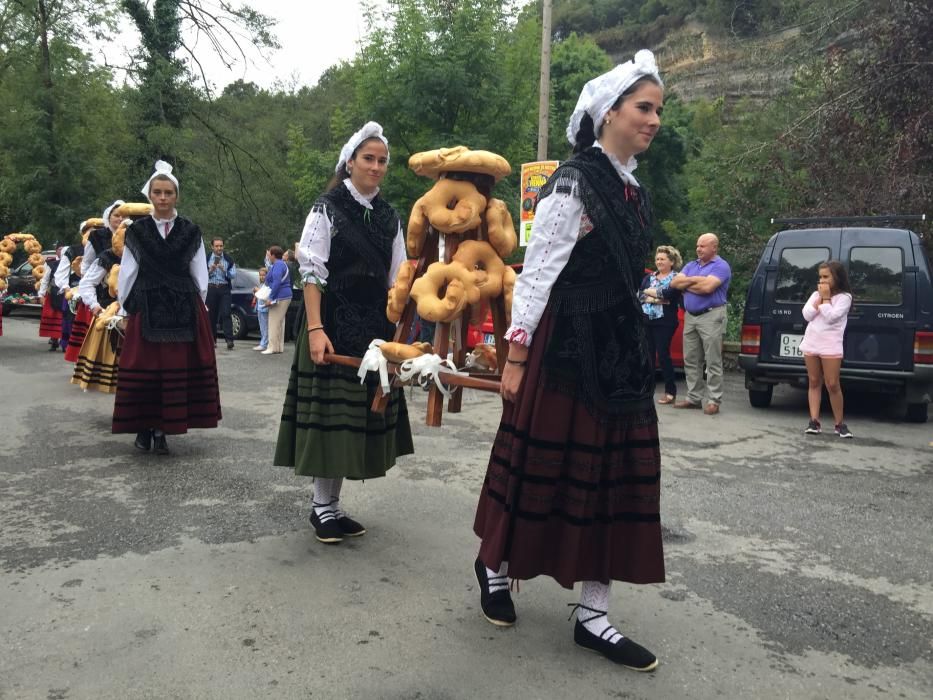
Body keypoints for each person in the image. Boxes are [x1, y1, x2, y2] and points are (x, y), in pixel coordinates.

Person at [471, 51, 665, 672]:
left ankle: (594, 614)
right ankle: (494, 568)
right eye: (644, 107)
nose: (655, 119)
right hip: (566, 352)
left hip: (622, 354)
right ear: (609, 112)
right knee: (538, 469)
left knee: (611, 481)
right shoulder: (573, 182)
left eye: (659, 109)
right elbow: (537, 276)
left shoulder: (632, 188)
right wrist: (517, 356)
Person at [273, 121, 412, 545]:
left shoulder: (390, 217)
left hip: (373, 332)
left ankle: (331, 507)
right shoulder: (327, 207)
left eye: (382, 160)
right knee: (331, 422)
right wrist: (315, 329)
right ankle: (321, 508)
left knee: (352, 423)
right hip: (331, 325)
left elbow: (398, 280)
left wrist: (400, 337)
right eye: (368, 158)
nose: (376, 166)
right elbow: (312, 272)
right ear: (349, 162)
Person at [113, 160, 221, 454]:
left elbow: (200, 273)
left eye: (168, 193)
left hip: (182, 307)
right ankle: (144, 427)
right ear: (150, 195)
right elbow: (128, 272)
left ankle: (163, 430)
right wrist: (124, 308)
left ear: (176, 196)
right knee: (145, 369)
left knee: (174, 370)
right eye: (157, 192)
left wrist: (200, 307)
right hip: (146, 307)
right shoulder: (137, 231)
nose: (162, 198)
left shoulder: (190, 230)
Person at [670, 233, 731, 414]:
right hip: (691, 316)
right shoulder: (691, 265)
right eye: (698, 245)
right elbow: (674, 283)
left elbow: (707, 288)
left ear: (714, 247)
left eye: (703, 246)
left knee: (712, 360)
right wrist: (696, 281)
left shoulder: (721, 266)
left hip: (711, 316)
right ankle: (694, 398)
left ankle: (714, 400)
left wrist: (686, 284)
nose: (698, 249)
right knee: (690, 359)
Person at [800, 260, 853, 438]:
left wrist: (827, 298)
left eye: (826, 277)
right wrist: (820, 299)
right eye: (820, 277)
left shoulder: (845, 298)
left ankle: (839, 424)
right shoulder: (816, 294)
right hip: (812, 342)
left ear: (836, 277)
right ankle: (814, 421)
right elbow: (807, 315)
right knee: (814, 381)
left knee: (832, 384)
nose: (821, 281)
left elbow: (832, 317)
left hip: (831, 344)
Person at [639, 245, 683, 404]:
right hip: (647, 319)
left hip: (665, 321)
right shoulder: (649, 277)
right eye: (657, 259)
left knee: (663, 355)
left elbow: (671, 296)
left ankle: (670, 392)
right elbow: (640, 294)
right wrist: (658, 298)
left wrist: (652, 295)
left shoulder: (676, 278)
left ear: (671, 261)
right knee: (648, 355)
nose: (659, 262)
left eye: (662, 259)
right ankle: (646, 391)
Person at [261, 245, 293, 355]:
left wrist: (271, 298)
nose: (268, 255)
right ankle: (278, 347)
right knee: (279, 322)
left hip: (280, 296)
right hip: (285, 295)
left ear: (273, 255)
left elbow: (276, 282)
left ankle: (272, 347)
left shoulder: (278, 265)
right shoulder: (279, 264)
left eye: (269, 253)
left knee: (273, 322)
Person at [206, 237, 237, 350]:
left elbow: (233, 275)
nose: (219, 248)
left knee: (226, 313)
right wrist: (211, 270)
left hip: (224, 289)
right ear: (212, 247)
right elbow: (201, 275)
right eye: (217, 246)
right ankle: (212, 340)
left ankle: (229, 340)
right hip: (211, 288)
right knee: (211, 316)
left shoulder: (228, 259)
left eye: (221, 246)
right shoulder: (207, 258)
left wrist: (224, 270)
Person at [37, 246, 64, 351]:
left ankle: (64, 341)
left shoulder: (71, 262)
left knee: (64, 318)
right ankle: (54, 341)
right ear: (56, 251)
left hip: (66, 294)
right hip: (53, 293)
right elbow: (45, 279)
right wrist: (41, 294)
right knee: (53, 317)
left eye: (63, 250)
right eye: (59, 249)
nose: (61, 251)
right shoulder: (50, 263)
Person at [252, 266, 270, 351]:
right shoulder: (261, 284)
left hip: (265, 308)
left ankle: (264, 344)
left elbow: (265, 295)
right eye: (260, 275)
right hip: (260, 308)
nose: (261, 277)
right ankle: (263, 342)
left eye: (263, 275)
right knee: (262, 326)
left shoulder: (267, 284)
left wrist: (258, 290)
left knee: (265, 327)